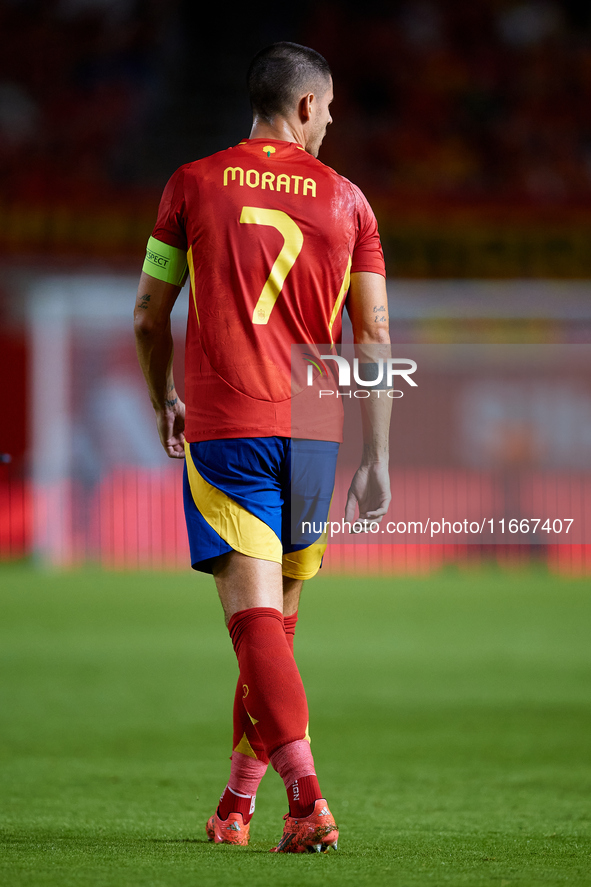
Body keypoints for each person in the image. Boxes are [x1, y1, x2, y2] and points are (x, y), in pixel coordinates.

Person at [134, 41, 391, 853]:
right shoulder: (350, 201)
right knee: (274, 631)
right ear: (309, 106)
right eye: (330, 110)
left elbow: (148, 313)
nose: (330, 123)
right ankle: (236, 806)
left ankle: (308, 799)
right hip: (314, 426)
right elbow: (375, 335)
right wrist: (377, 456)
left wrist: (163, 398)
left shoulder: (192, 182)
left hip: (230, 418)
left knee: (253, 628)